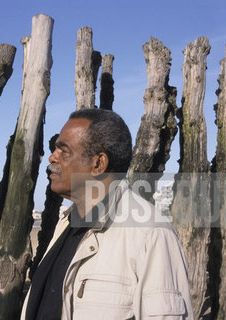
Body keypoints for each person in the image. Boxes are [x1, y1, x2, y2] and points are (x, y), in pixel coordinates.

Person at [21, 108, 194, 319]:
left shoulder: (150, 234)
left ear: (98, 163)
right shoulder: (65, 223)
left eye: (63, 151)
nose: (52, 157)